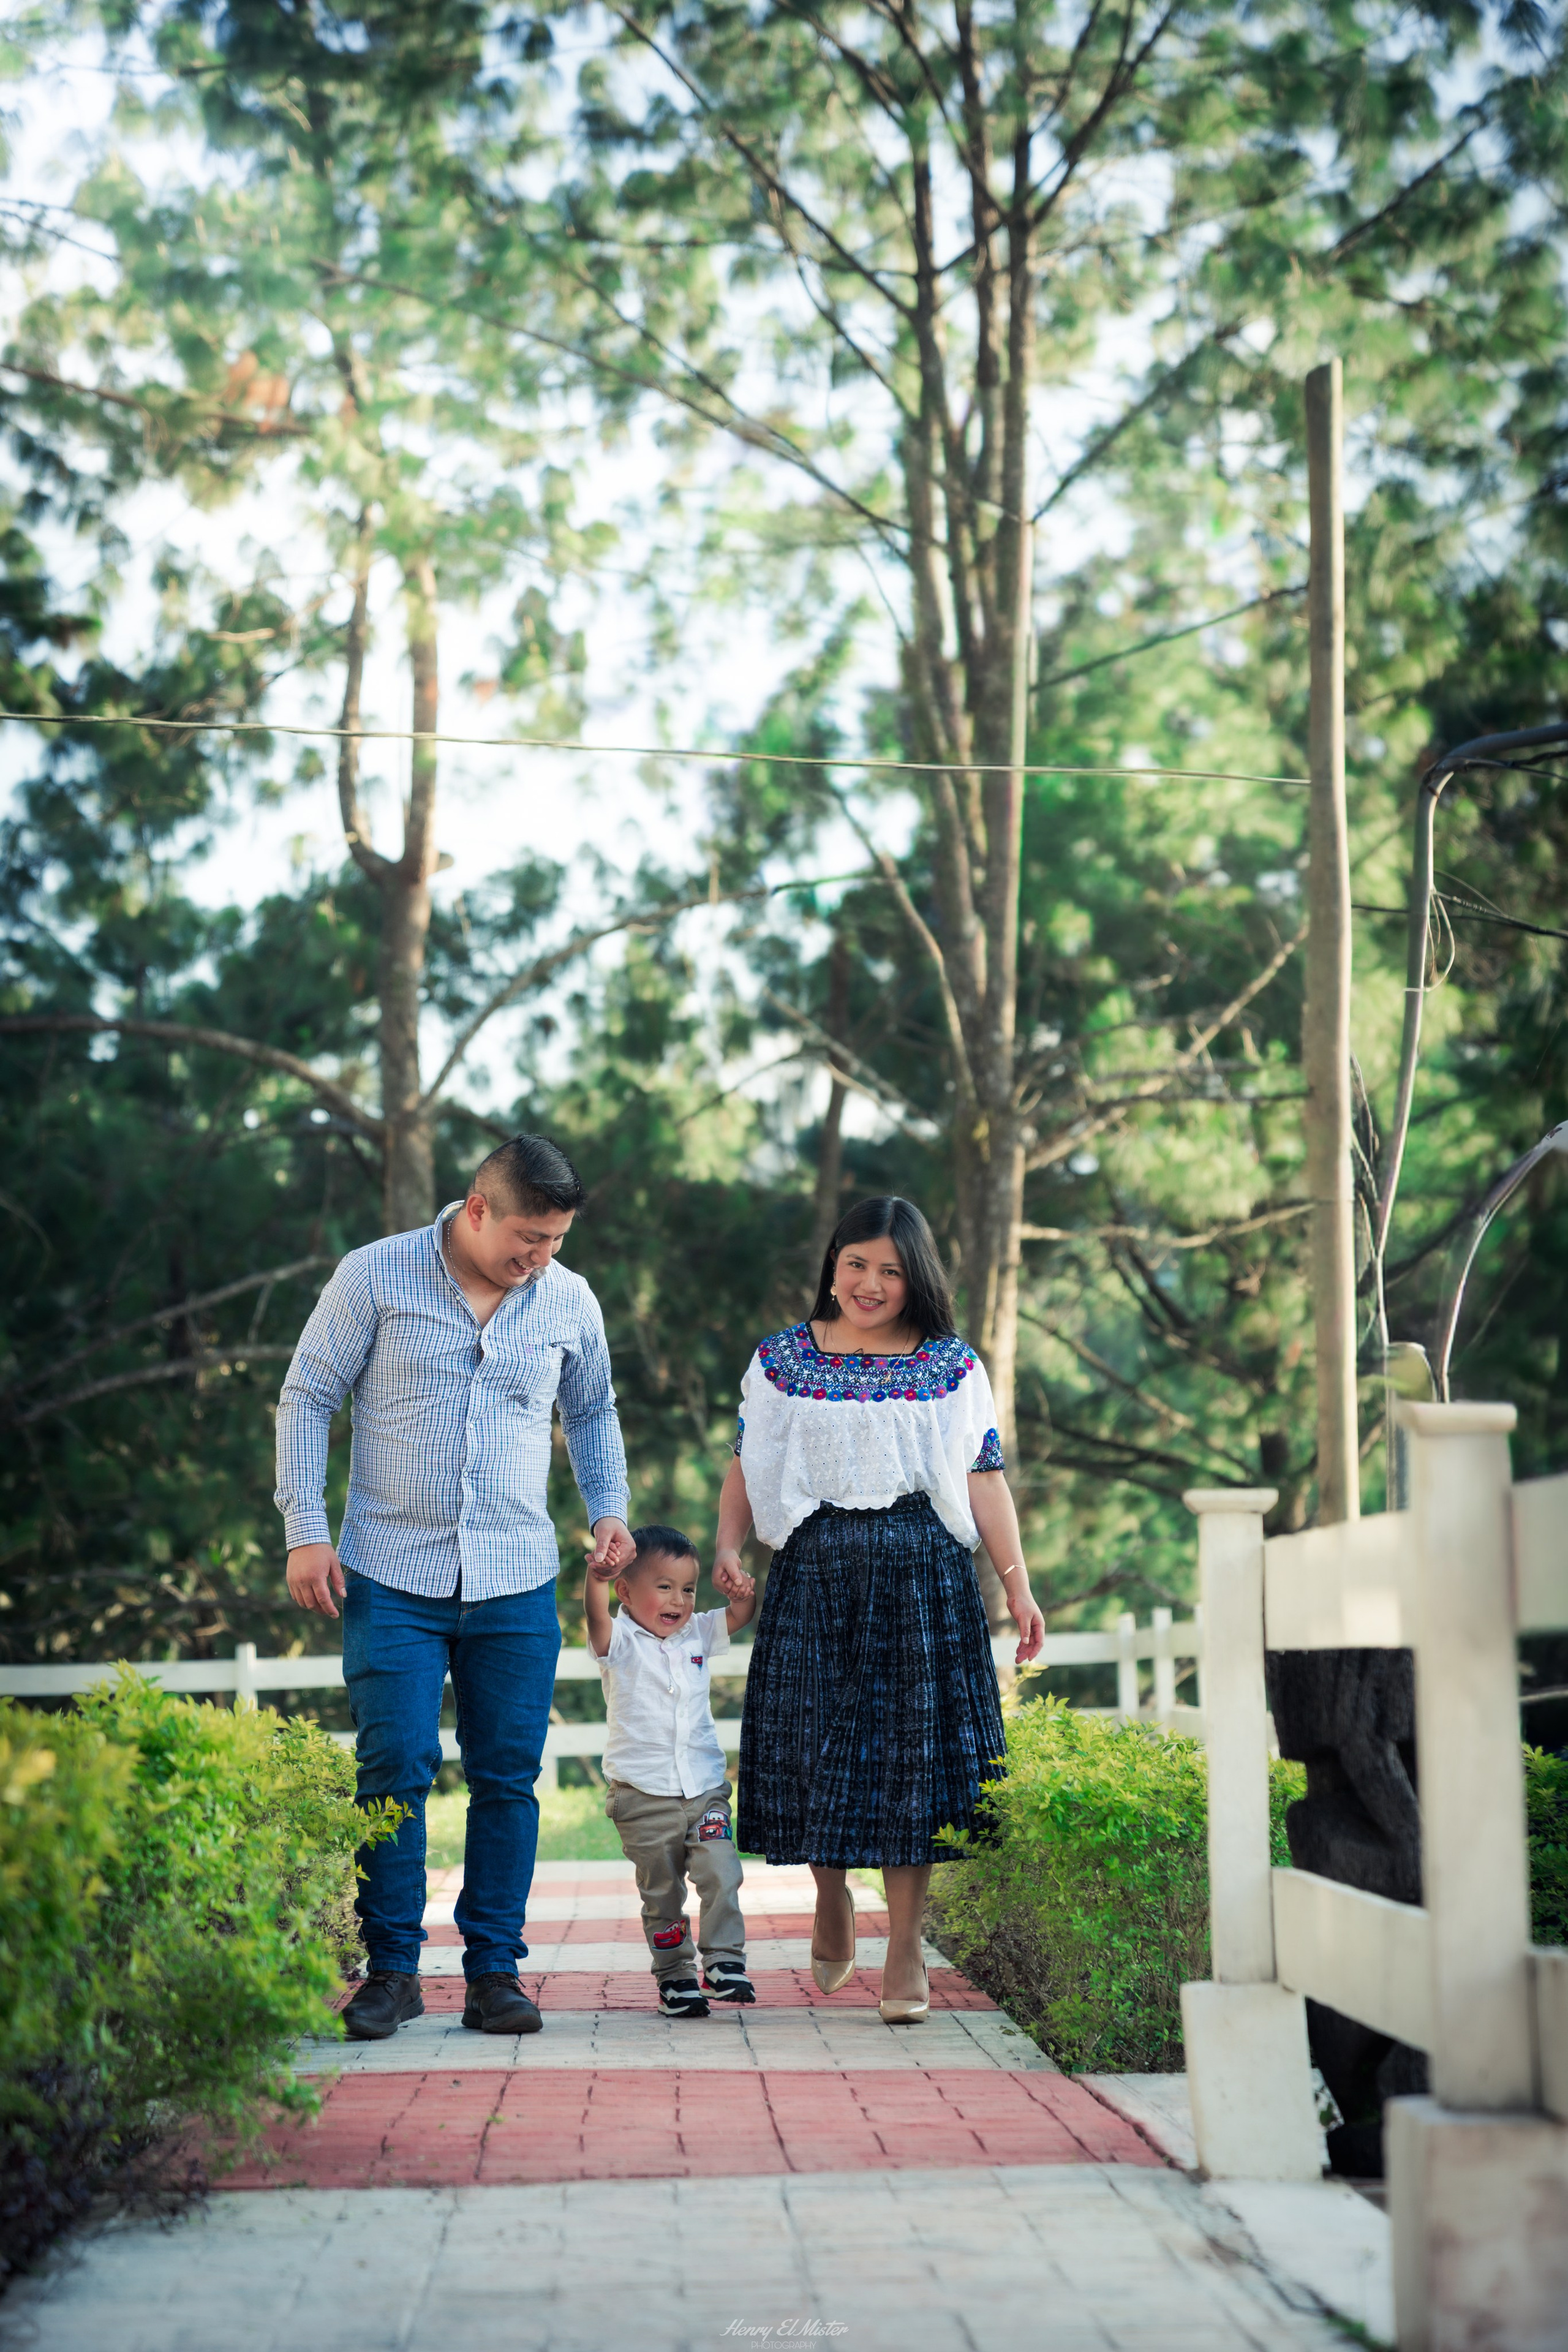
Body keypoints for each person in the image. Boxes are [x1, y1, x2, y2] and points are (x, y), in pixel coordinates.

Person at [274, 1134, 635, 2043]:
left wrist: (609, 1512)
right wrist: (305, 1530)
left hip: (516, 1577)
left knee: (508, 1778)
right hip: (391, 1571)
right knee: (394, 1768)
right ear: (478, 1209)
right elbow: (307, 1396)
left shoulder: (569, 1299)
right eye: (528, 1237)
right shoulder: (375, 1275)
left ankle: (494, 1974)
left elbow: (593, 1409)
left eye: (555, 1241)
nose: (541, 1257)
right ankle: (392, 1973)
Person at [720, 1196, 1044, 2025]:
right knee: (808, 1745)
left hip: (922, 1577)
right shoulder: (781, 1359)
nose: (870, 1283)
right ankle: (829, 1890)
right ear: (833, 1264)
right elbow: (748, 1461)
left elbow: (983, 1477)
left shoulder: (952, 1366)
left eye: (890, 1271)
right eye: (857, 1263)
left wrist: (1018, 1585)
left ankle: (905, 1946)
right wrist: (727, 1546)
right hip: (812, 1569)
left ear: (915, 1279)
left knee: (910, 1765)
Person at [585, 1523, 758, 2018]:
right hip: (642, 1797)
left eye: (688, 1589)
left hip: (704, 1789)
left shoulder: (698, 1632)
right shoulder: (619, 1640)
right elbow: (595, 1615)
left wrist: (741, 1591)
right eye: (664, 1587)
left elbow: (739, 1615)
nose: (678, 1601)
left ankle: (724, 1961)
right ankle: (676, 1977)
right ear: (625, 1591)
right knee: (662, 1894)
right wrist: (597, 1578)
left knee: (722, 1871)